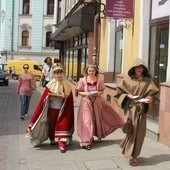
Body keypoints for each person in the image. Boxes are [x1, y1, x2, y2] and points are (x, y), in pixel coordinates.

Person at [114, 58, 159, 166]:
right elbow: (119, 93)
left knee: (140, 134)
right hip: (131, 109)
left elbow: (154, 94)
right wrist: (127, 95)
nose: (138, 69)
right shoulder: (128, 79)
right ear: (133, 69)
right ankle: (130, 154)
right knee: (130, 131)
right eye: (136, 67)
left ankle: (134, 156)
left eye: (140, 67)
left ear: (144, 69)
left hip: (141, 110)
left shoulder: (148, 81)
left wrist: (149, 99)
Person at [76, 64, 124, 150]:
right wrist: (87, 93)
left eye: (93, 71)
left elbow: (102, 91)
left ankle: (93, 136)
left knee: (96, 119)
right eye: (89, 71)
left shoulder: (99, 80)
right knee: (87, 121)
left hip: (97, 102)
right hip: (86, 102)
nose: (91, 72)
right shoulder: (82, 80)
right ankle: (86, 141)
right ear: (87, 71)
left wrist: (98, 93)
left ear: (96, 71)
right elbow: (80, 92)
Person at [27, 66, 74, 153]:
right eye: (56, 73)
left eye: (60, 73)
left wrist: (65, 97)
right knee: (52, 124)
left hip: (64, 109)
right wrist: (51, 97)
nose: (59, 75)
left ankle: (61, 143)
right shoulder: (51, 84)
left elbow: (70, 98)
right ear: (54, 75)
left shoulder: (67, 84)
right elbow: (44, 98)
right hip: (53, 108)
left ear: (63, 74)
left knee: (63, 125)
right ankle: (52, 138)